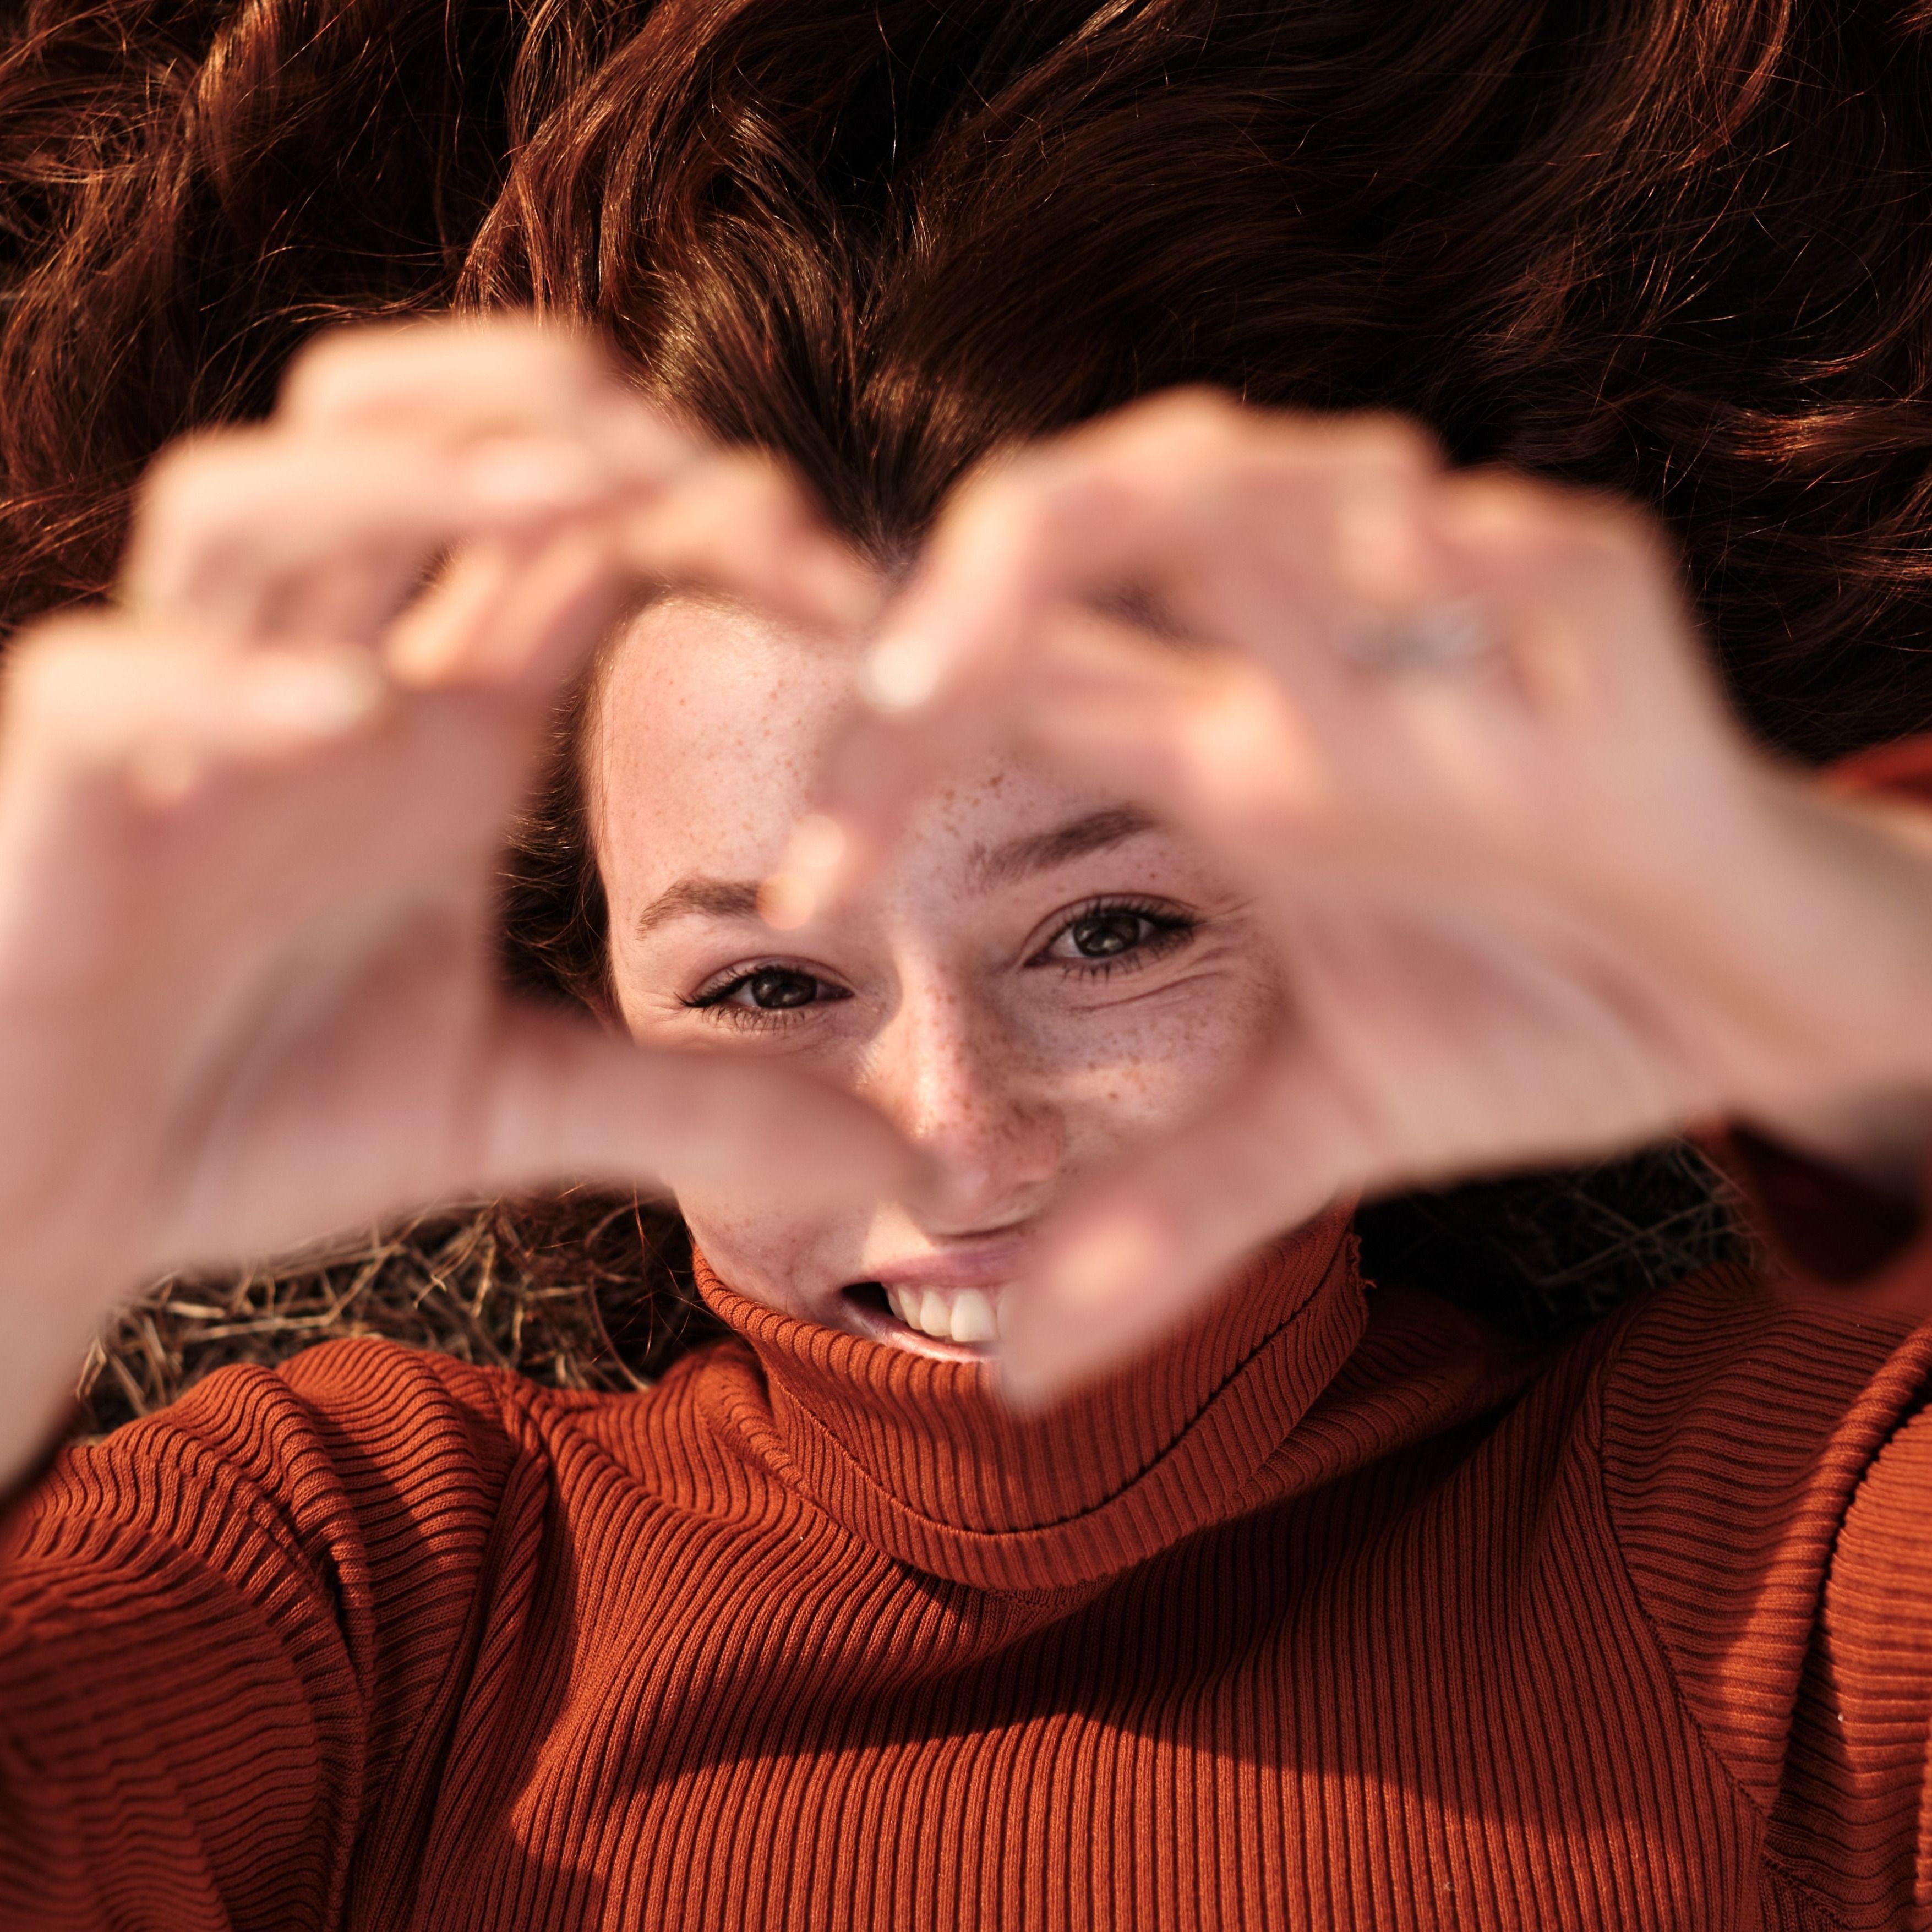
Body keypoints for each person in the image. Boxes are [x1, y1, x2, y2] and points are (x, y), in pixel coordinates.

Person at [7, 1, 1932, 1925]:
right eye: (768, 989)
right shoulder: (366, 1584)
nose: (959, 1140)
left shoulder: (1779, 1542)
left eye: (1112, 932)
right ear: (602, 1019)